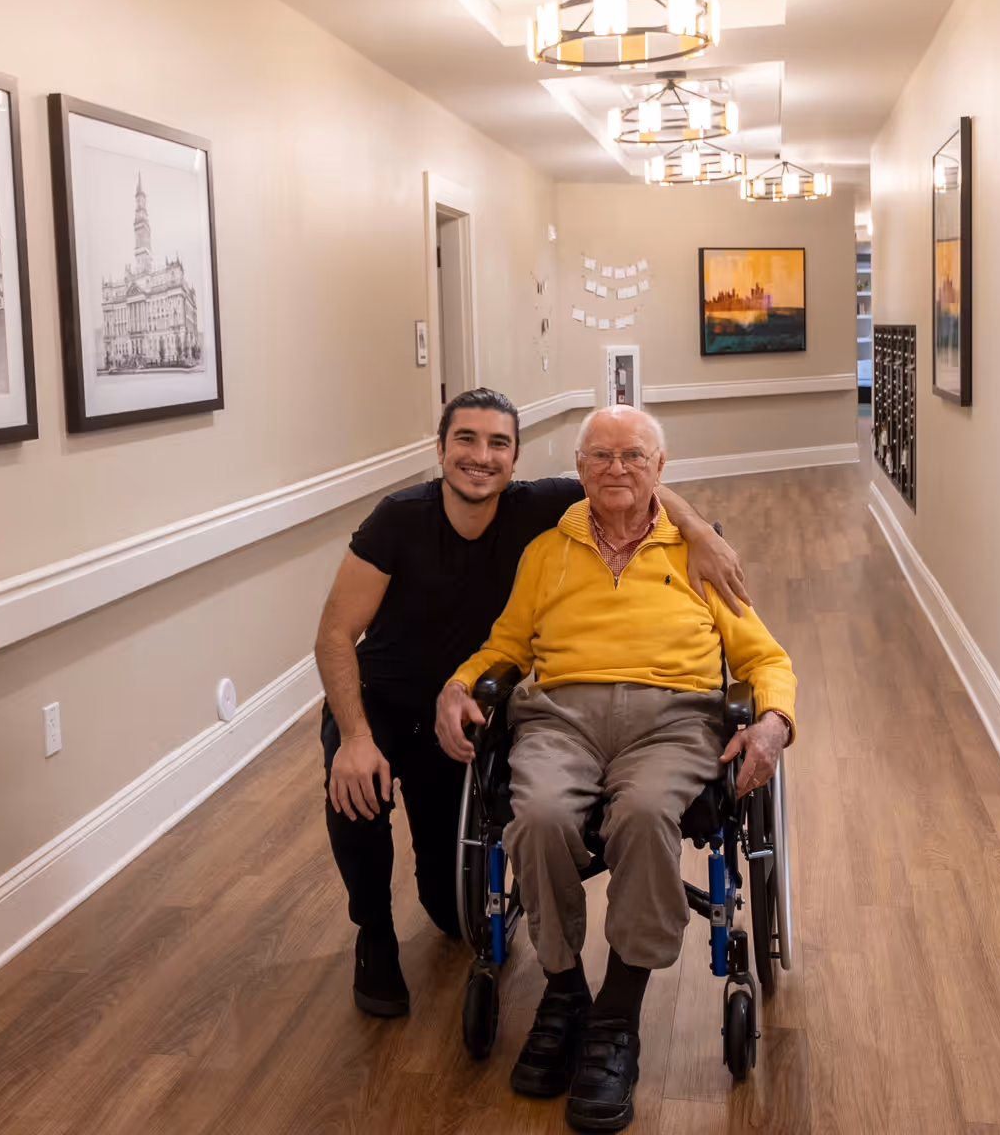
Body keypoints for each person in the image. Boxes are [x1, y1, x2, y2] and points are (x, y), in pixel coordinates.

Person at [314, 388, 754, 1020]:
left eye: (497, 444)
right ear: (440, 449)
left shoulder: (544, 507)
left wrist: (697, 531)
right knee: (360, 792)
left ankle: (615, 1008)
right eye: (464, 440)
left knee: (450, 908)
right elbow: (336, 635)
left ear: (515, 460)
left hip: (479, 713)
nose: (480, 457)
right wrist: (358, 735)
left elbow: (636, 477)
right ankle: (375, 937)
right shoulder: (402, 519)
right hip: (390, 699)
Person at [436, 405, 796, 1133]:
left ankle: (617, 1017)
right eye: (599, 457)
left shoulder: (699, 553)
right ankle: (564, 990)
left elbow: (765, 658)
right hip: (560, 716)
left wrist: (773, 721)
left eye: (633, 456)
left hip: (672, 720)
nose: (616, 470)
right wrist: (455, 685)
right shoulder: (547, 551)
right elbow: (504, 645)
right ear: (579, 469)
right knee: (534, 816)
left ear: (661, 469)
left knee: (642, 813)